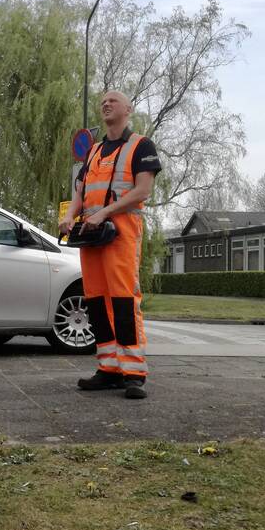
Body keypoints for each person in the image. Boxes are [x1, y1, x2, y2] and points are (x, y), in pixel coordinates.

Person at [58, 91, 161, 399]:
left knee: (123, 299)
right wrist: (69, 215)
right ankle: (108, 368)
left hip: (121, 230)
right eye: (103, 101)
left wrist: (103, 213)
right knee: (96, 300)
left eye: (113, 100)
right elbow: (81, 190)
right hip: (91, 234)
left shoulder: (141, 146)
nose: (106, 104)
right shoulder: (94, 150)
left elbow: (142, 191)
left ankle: (133, 372)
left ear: (128, 109)